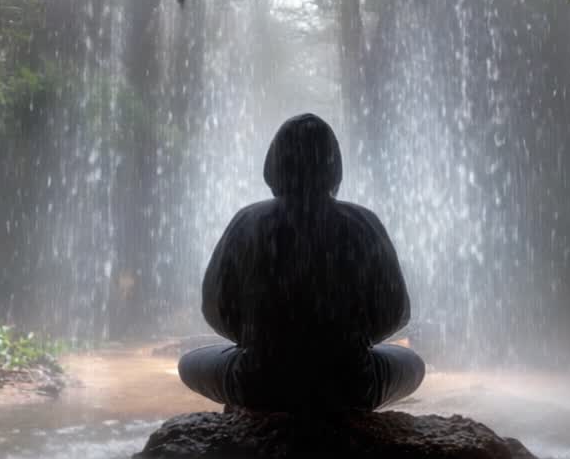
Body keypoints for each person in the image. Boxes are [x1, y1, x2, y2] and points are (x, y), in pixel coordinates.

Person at [178, 113, 425, 412]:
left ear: (273, 165)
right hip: (350, 385)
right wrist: (351, 343)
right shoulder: (362, 222)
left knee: (188, 362)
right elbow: (396, 312)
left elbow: (214, 308)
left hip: (258, 384)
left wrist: (254, 341)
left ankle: (245, 407)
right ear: (334, 169)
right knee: (413, 363)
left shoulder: (247, 221)